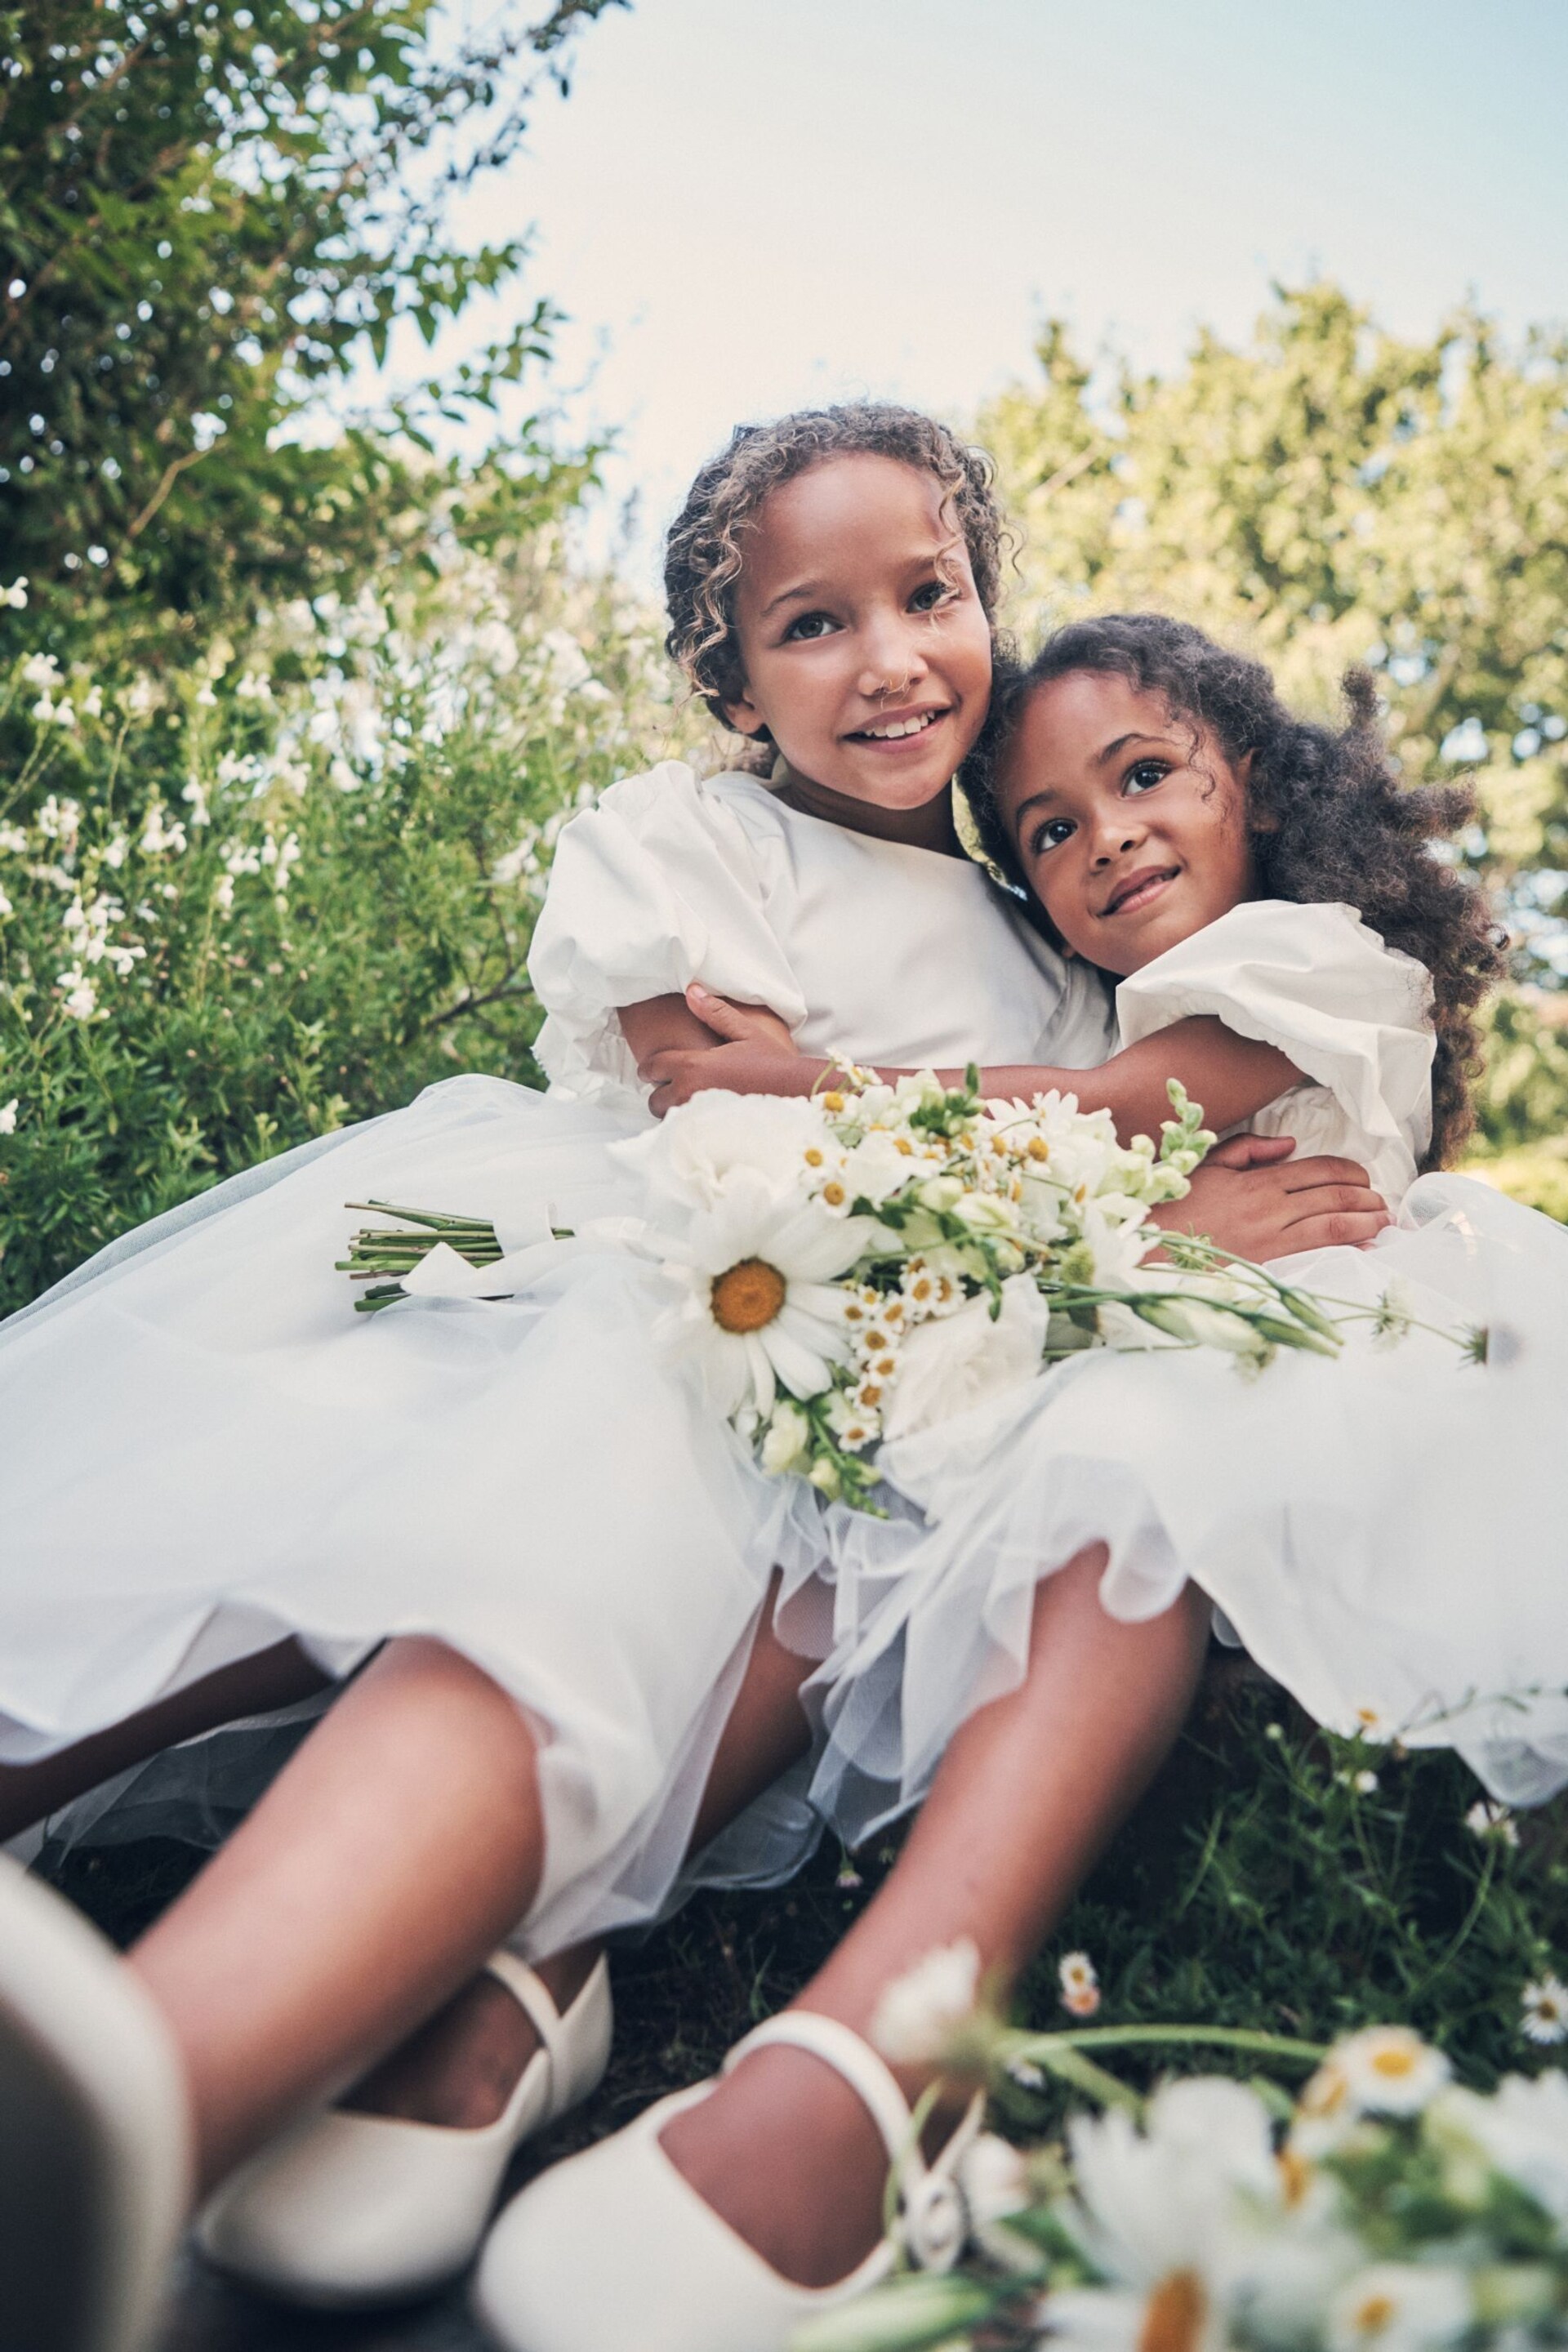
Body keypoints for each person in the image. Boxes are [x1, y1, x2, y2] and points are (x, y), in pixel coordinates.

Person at [0, 418, 1379, 2347]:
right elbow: (704, 1119)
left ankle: (146, 2092)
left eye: (930, 596)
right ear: (732, 679)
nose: (889, 657)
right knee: (268, 1504)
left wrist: (1066, 1186)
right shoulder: (693, 841)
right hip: (612, 1286)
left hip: (842, 1383)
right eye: (814, 624)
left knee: (566, 1577)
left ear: (986, 602)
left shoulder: (1050, 957)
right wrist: (1060, 1176)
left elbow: (1007, 1149)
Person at [474, 616, 1562, 2352]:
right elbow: (1083, 1168)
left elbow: (1114, 1116)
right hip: (1142, 1324)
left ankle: (885, 2063)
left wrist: (796, 1090)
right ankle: (545, 1937)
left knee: (1119, 1452)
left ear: (1259, 786)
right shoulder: (1113, 989)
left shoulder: (1322, 953)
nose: (1105, 834)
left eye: (1143, 778)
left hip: (1317, 1363)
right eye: (1048, 827)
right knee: (876, 1463)